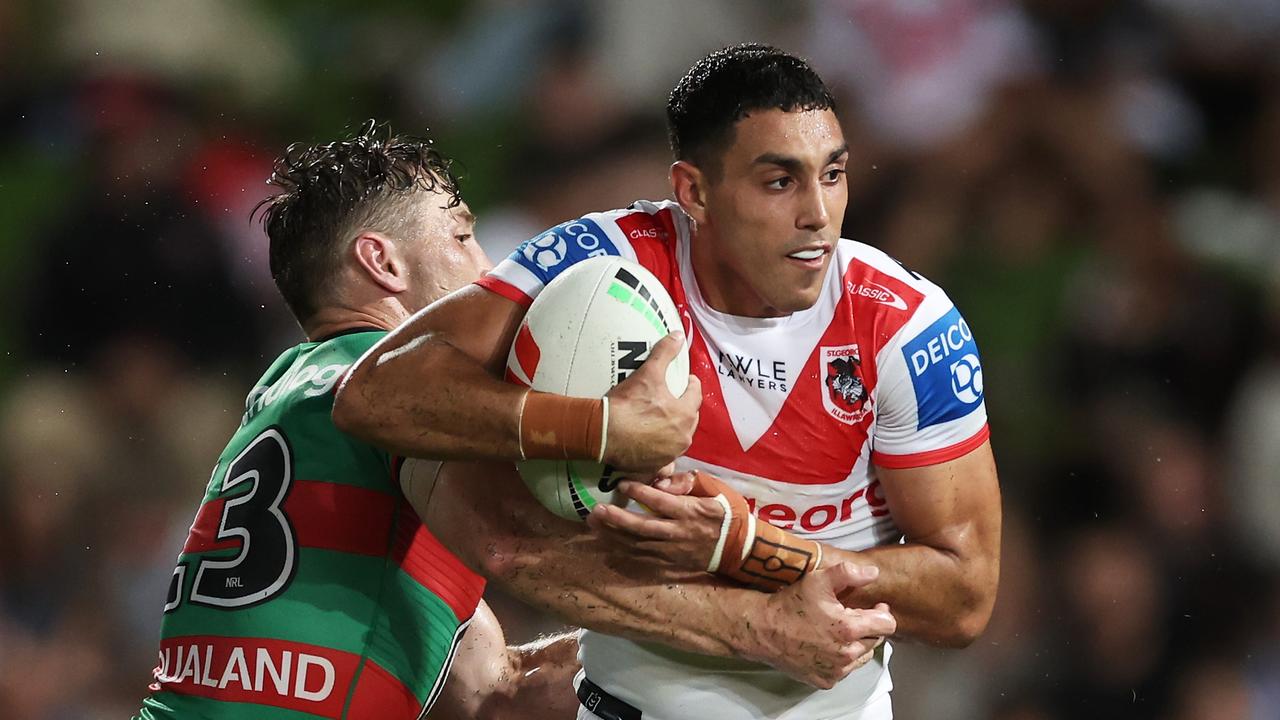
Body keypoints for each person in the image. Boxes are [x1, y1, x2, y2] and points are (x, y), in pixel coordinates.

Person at [334, 44, 1001, 719]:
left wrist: (745, 546)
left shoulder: (906, 327)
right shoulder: (600, 262)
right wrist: (599, 427)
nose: (818, 215)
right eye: (780, 181)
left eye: (833, 175)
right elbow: (374, 393)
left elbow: (966, 596)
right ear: (694, 192)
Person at [133, 120, 582, 720]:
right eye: (462, 235)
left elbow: (496, 692)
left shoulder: (291, 396)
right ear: (382, 262)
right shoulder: (392, 392)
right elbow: (514, 546)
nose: (491, 267)